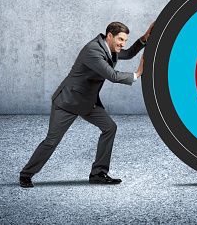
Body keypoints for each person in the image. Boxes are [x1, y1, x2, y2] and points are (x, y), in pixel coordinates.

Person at [19, 21, 154, 188]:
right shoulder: (93, 50)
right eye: (120, 39)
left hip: (88, 102)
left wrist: (144, 38)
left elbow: (127, 53)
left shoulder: (109, 48)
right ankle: (26, 174)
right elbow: (112, 75)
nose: (123, 44)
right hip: (68, 102)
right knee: (51, 141)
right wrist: (138, 73)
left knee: (110, 127)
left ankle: (98, 174)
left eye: (125, 40)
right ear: (109, 36)